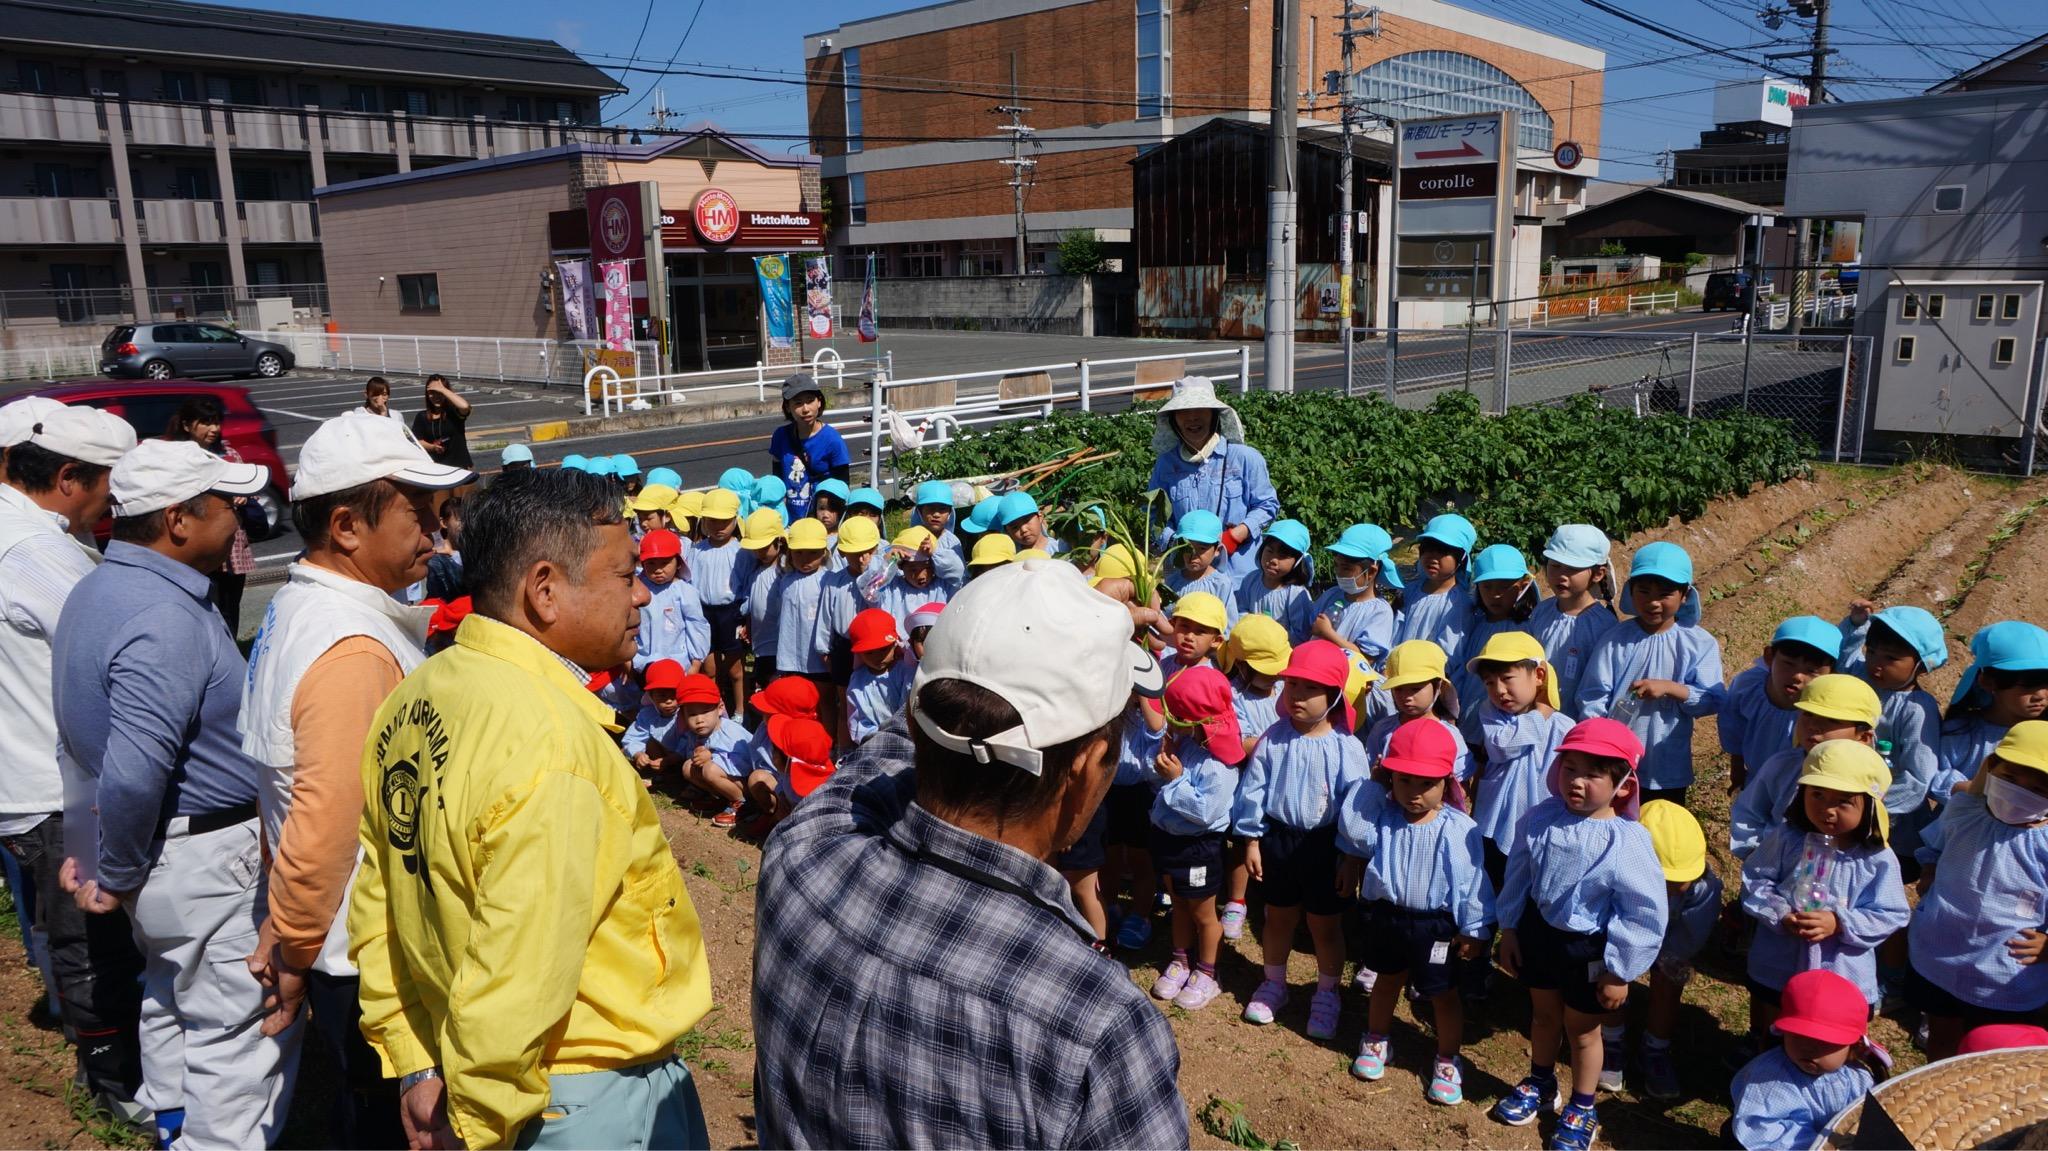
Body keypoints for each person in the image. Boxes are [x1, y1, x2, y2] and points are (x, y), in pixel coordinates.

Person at [751, 557, 1181, 1147]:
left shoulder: (802, 857)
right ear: (1084, 770)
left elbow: (888, 751)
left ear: (915, 717)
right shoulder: (1098, 1026)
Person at [348, 468, 713, 1150]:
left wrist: (417, 1061)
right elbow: (518, 970)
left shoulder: (416, 696)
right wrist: (476, 1120)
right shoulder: (554, 748)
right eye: (623, 575)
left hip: (468, 1068)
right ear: (545, 590)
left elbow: (381, 899)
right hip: (577, 1099)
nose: (640, 593)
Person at [236, 411, 470, 1148]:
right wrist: (294, 947)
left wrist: (284, 924)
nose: (435, 527)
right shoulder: (354, 649)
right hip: (362, 953)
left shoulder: (298, 608)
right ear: (345, 526)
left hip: (334, 939)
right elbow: (327, 820)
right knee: (390, 1124)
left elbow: (280, 792)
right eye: (417, 509)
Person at [52, 437, 290, 1149]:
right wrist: (116, 869)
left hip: (163, 852)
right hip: (201, 856)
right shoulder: (164, 617)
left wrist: (95, 850)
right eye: (227, 505)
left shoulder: (98, 589)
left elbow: (78, 738)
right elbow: (132, 769)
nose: (240, 519)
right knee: (235, 1033)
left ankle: (173, 1126)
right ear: (178, 519)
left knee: (171, 996)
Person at [0, 404, 146, 1123]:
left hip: (26, 774)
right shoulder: (35, 553)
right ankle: (115, 1086)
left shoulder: (23, 535)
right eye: (112, 487)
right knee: (92, 940)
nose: (117, 504)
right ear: (67, 479)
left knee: (72, 933)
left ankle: (103, 1058)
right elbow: (113, 646)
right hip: (55, 785)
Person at [1491, 719, 1667, 1151]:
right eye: (1570, 768)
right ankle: (1540, 1081)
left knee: (1583, 1030)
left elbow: (1642, 909)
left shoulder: (1627, 841)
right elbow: (1518, 874)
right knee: (1543, 1015)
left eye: (1593, 774)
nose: (1577, 782)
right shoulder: (1540, 818)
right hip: (1539, 935)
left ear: (1622, 784)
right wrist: (1509, 928)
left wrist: (1620, 969)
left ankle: (1583, 1105)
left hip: (1588, 948)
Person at [1338, 718, 1494, 1106]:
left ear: (1447, 782)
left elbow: (1472, 880)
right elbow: (1354, 831)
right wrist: (1374, 785)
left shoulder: (1458, 828)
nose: (1414, 792)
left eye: (1427, 783)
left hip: (1435, 925)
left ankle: (1448, 1058)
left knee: (1442, 992)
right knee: (1385, 980)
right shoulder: (1384, 817)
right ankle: (1376, 1039)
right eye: (1404, 780)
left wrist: (1474, 928)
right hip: (1388, 917)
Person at [1234, 639, 1369, 1039]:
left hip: (1327, 847)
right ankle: (1274, 983)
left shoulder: (1346, 747)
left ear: (1334, 696)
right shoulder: (1273, 739)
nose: (1297, 695)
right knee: (1277, 917)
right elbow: (1254, 789)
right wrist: (1251, 839)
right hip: (1279, 840)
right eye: (1292, 684)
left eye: (1311, 688)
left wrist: (1351, 856)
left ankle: (1327, 993)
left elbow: (1357, 805)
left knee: (1325, 925)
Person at [1740, 741, 1907, 1051]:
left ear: (1870, 806)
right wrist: (1780, 913)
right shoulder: (1787, 838)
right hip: (1779, 963)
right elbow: (1756, 878)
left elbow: (1891, 912)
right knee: (1772, 1024)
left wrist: (1839, 923)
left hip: (1841, 972)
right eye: (1817, 794)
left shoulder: (1876, 859)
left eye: (1843, 802)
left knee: (1826, 1041)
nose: (1827, 809)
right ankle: (1762, 1057)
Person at [1909, 720, 2048, 1060]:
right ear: (1991, 768)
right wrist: (1929, 871)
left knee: (1998, 1055)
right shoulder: (1963, 809)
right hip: (1938, 951)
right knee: (1942, 1033)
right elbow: (1936, 845)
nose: (2019, 791)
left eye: (2038, 788)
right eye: (2010, 778)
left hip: (2006, 973)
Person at [1576, 541, 1726, 805]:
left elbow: (1711, 699)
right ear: (1631, 591)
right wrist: (1600, 743)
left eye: (1665, 594)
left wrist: (1671, 688)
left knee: (1661, 824)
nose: (1653, 602)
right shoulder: (1615, 639)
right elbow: (1593, 695)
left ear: (1684, 595)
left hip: (1666, 765)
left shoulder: (1698, 643)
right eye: (1643, 592)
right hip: (1615, 762)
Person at [1146, 665, 1244, 1013]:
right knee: (1179, 904)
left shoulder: (1219, 766)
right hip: (1170, 842)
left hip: (1198, 848)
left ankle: (1207, 971)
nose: (1169, 723)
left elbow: (1204, 811)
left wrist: (1175, 780)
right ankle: (1180, 959)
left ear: (1195, 721)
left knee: (1203, 912)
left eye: (1175, 717)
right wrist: (1168, 758)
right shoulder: (1187, 745)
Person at [1623, 800, 1724, 1099]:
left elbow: (1690, 934)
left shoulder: (1704, 889)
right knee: (1609, 975)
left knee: (1669, 981)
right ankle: (1610, 1039)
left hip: (1668, 942)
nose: (1670, 887)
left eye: (1678, 881)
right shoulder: (1620, 873)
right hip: (1623, 936)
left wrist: (1667, 956)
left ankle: (1655, 1047)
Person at [1465, 632, 1576, 892]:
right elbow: (1501, 747)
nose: (1499, 691)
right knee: (1490, 882)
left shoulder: (1564, 727)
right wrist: (1540, 714)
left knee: (1531, 888)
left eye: (1507, 678)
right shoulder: (1490, 713)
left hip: (1541, 825)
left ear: (1539, 675)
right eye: (1489, 683)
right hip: (1496, 821)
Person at [1729, 674, 1881, 860]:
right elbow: (1748, 813)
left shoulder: (1869, 781)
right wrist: (1755, 853)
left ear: (1863, 737)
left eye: (1832, 720)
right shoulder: (1781, 766)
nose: (1814, 725)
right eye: (1808, 714)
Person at [1728, 970, 1876, 1151]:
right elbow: (1762, 1131)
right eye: (1798, 1036)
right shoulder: (1769, 1080)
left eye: (1824, 1042)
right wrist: (1822, 1146)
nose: (1808, 1048)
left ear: (1853, 1047)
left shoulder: (1857, 1078)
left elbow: (1866, 1115)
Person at [1148, 375, 1278, 576]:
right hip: (1186, 574)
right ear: (1173, 420)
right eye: (1184, 412)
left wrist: (1237, 534)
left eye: (1200, 410)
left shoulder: (1244, 458)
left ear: (1214, 415)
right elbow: (1153, 515)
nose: (1192, 418)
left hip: (1238, 576)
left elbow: (1267, 505)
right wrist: (1177, 543)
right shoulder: (1166, 465)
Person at [1218, 613, 1291, 942]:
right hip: (1250, 780)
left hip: (1286, 779)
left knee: (1277, 842)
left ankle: (1273, 896)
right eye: (1266, 669)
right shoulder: (1233, 696)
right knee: (1243, 839)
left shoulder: (1285, 688)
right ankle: (1236, 900)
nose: (1275, 674)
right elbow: (1242, 742)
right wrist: (1284, 746)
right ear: (1241, 665)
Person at [162, 394, 257, 633]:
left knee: (230, 608)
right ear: (186, 425)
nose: (214, 429)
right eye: (206, 422)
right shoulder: (176, 460)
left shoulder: (229, 454)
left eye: (216, 422)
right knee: (202, 609)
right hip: (197, 544)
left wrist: (245, 497)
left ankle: (230, 648)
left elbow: (252, 491)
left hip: (233, 546)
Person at [1722, 615, 1840, 791]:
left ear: (1831, 673)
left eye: (1811, 671)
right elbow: (1734, 728)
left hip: (1803, 789)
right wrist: (1737, 769)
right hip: (1756, 780)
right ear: (1769, 657)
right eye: (1788, 664)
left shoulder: (1831, 709)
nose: (1797, 676)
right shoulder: (1747, 688)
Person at [1936, 620, 2048, 803]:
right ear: (1988, 682)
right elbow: (1936, 777)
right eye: (2028, 686)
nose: (2041, 696)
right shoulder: (1963, 732)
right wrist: (1981, 790)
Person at [1529, 525, 1619, 715]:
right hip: (1536, 718)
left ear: (1598, 574)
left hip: (1578, 723)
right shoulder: (1541, 611)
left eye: (1572, 569)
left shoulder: (1605, 626)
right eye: (1555, 566)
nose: (1561, 575)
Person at [1451, 544, 1538, 710]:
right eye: (1487, 586)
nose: (1495, 594)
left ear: (1523, 585)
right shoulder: (1476, 624)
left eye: (1504, 586)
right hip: (1469, 712)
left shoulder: (1526, 629)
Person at [689, 489, 752, 715]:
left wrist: (745, 615)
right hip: (704, 612)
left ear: (735, 520)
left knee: (736, 668)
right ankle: (714, 708)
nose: (719, 527)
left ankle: (740, 712)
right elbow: (690, 581)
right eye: (712, 521)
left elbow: (748, 584)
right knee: (709, 668)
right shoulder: (697, 551)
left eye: (724, 521)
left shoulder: (742, 552)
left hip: (731, 612)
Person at [1312, 522, 1401, 669]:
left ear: (1371, 572)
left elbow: (1366, 659)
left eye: (1346, 568)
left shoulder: (1380, 611)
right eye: (1336, 565)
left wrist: (1328, 633)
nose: (1338, 572)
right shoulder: (1332, 595)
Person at [768, 372, 849, 520]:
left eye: (810, 401)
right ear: (788, 407)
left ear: (819, 402)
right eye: (798, 403)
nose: (805, 409)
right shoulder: (780, 436)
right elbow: (777, 480)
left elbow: (843, 486)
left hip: (822, 521)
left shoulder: (832, 440)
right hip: (788, 519)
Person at [1394, 514, 1477, 653]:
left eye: (1442, 551)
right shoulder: (1409, 591)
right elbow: (1395, 632)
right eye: (1427, 549)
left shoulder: (1458, 603)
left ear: (1461, 558)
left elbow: (1449, 653)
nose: (1432, 557)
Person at [634, 528, 711, 676]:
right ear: (643, 564)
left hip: (677, 663)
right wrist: (628, 659)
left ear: (679, 563)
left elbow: (697, 626)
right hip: (643, 663)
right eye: (651, 563)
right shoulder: (638, 590)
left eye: (665, 563)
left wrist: (696, 662)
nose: (658, 570)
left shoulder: (685, 592)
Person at [1234, 518, 1315, 644]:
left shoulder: (1296, 594)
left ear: (1297, 561)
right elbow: (1241, 610)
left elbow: (1302, 635)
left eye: (1282, 556)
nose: (1273, 560)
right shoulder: (1251, 580)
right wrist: (1251, 623)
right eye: (1270, 551)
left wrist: (1270, 633)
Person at [846, 608, 915, 745]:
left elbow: (908, 710)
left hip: (908, 739)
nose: (877, 657)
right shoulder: (857, 680)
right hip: (874, 743)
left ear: (894, 644)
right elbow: (857, 722)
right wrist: (875, 737)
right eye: (869, 653)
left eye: (883, 649)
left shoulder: (906, 671)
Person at [409, 375, 473, 469]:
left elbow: (464, 406)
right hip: (436, 468)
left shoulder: (454, 412)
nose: (436, 396)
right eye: (432, 393)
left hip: (459, 467)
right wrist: (432, 447)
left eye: (439, 392)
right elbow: (418, 441)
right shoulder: (422, 416)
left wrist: (443, 390)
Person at [424, 495, 465, 602]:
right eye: (461, 519)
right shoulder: (436, 561)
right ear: (444, 523)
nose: (466, 525)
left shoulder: (476, 554)